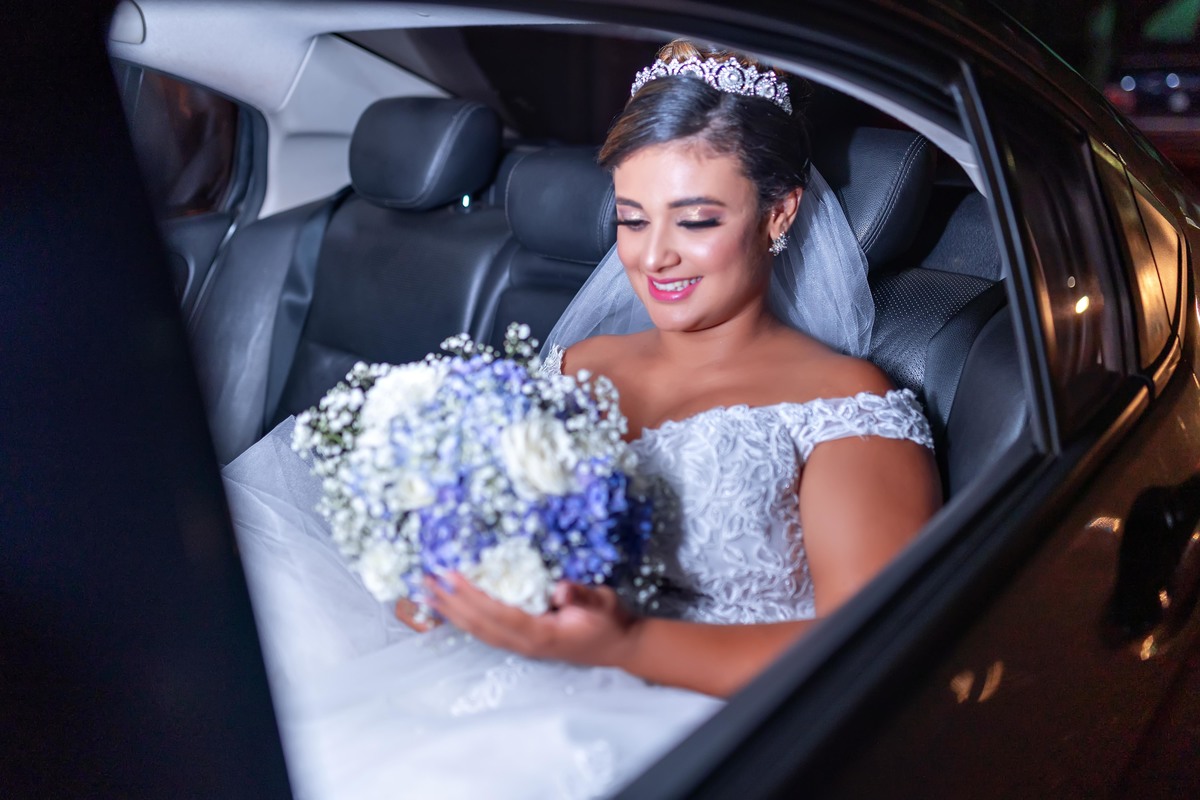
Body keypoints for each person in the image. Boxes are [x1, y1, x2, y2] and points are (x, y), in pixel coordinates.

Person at [222, 39, 939, 800]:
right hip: (493, 680)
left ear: (779, 212)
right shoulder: (575, 366)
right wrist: (448, 579)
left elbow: (872, 648)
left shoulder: (842, 403)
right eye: (632, 220)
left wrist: (626, 643)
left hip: (705, 723)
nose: (654, 257)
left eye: (695, 221)